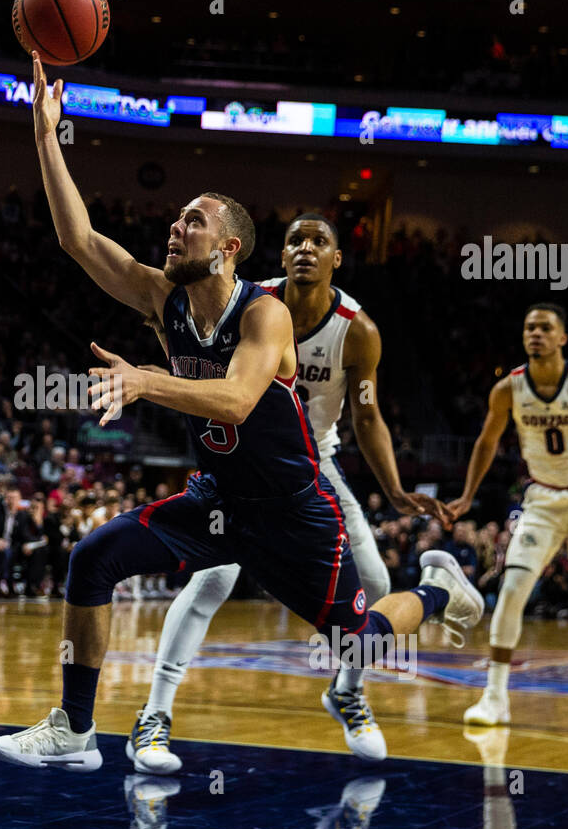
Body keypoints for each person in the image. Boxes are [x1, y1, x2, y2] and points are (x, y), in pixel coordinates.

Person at [0, 54, 482, 771]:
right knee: (92, 558)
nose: (173, 228)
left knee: (358, 638)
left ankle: (437, 590)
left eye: (192, 220)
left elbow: (238, 400)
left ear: (228, 248)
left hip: (294, 512)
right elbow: (80, 241)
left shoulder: (265, 314)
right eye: (177, 218)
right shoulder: (165, 301)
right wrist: (44, 135)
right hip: (218, 500)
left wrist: (148, 382)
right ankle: (76, 729)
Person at [127, 214, 449, 771]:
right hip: (240, 468)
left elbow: (367, 417)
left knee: (373, 582)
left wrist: (394, 489)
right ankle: (154, 715)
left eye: (318, 241)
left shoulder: (359, 330)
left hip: (312, 467)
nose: (305, 249)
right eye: (294, 241)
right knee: (211, 581)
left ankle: (346, 690)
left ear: (337, 259)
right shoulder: (250, 303)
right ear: (277, 257)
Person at [446, 303, 568, 734]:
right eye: (529, 328)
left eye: (545, 327)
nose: (535, 333)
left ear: (562, 338)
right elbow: (485, 444)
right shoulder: (508, 390)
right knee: (513, 588)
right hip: (541, 499)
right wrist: (466, 496)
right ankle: (495, 697)